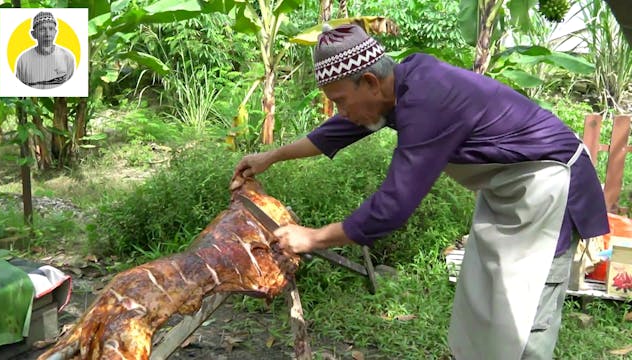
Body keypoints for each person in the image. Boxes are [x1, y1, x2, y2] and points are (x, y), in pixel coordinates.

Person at [232, 23, 609, 360]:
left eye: (341, 101)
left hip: (548, 190)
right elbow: (335, 133)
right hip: (511, 193)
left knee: (527, 317)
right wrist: (271, 156)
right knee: (489, 298)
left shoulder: (429, 100)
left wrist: (313, 238)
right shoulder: (397, 87)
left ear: (370, 82)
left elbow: (393, 206)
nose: (340, 112)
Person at [15, 11, 75, 89]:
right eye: (42, 29)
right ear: (33, 34)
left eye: (51, 29)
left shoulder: (67, 57)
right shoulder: (23, 59)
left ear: (55, 32)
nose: (47, 34)